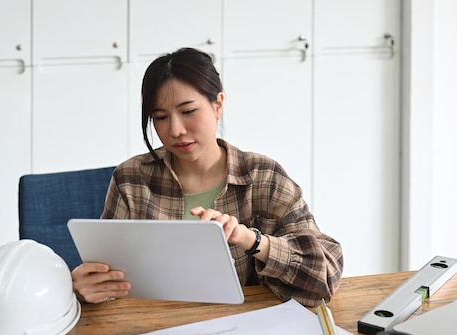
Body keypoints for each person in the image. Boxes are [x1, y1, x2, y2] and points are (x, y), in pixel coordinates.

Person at [71, 47, 343, 307]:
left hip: (243, 331)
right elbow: (109, 281)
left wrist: (249, 239)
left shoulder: (263, 177)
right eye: (161, 117)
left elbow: (326, 273)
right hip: (153, 331)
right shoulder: (130, 179)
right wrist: (86, 289)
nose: (176, 130)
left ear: (218, 105)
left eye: (188, 111)